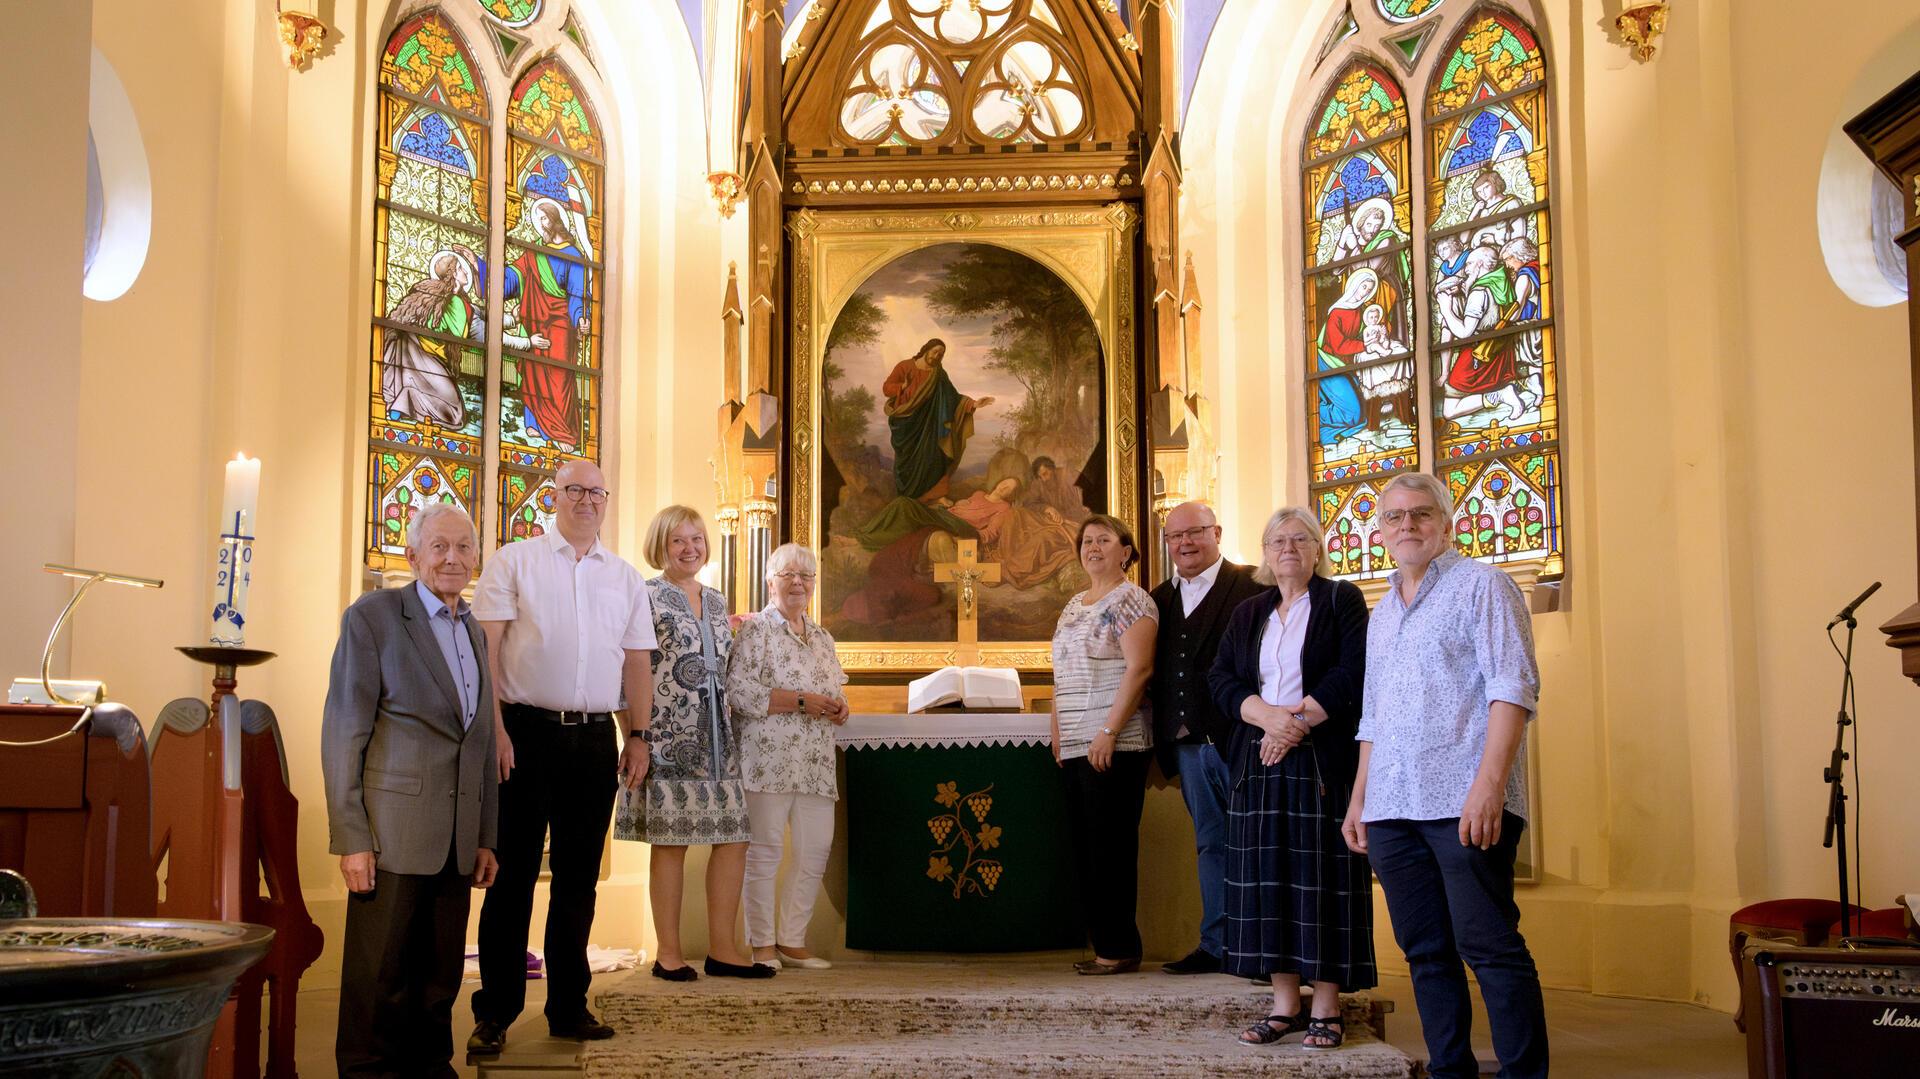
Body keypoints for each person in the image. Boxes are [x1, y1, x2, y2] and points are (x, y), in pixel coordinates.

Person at [1341, 472, 1547, 1078]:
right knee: (1425, 953)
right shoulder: (1381, 614)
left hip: (1462, 800)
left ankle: (1522, 1073)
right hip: (1391, 807)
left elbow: (1513, 687)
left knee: (1489, 947)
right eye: (1396, 517)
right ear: (1379, 532)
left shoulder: (1483, 585)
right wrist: (1360, 801)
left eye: (1422, 514)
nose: (1409, 525)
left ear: (1448, 524)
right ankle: (1450, 1070)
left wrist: (1487, 789)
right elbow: (1372, 714)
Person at [467, 460, 655, 1055]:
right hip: (523, 732)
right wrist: (495, 730)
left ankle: (568, 1007)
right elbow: (487, 653)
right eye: (574, 490)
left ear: (606, 502)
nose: (586, 501)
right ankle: (494, 1012)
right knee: (513, 877)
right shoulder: (514, 561)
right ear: (553, 497)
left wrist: (640, 735)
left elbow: (636, 663)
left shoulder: (624, 577)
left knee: (578, 880)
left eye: (596, 493)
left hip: (595, 738)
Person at [322, 501, 498, 1077]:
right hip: (390, 836)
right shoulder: (374, 617)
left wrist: (485, 836)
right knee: (381, 977)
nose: (453, 558)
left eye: (464, 547)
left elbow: (480, 740)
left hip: (454, 837)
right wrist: (352, 836)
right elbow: (344, 730)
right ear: (412, 554)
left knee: (440, 976)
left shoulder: (473, 627)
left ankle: (431, 1067)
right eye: (440, 547)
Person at [1209, 507, 1375, 1049]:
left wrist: (1295, 725)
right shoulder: (1250, 610)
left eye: (1300, 539)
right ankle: (1284, 1004)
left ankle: (1326, 1006)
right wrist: (1266, 718)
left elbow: (1353, 672)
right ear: (1264, 551)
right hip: (1257, 758)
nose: (1288, 548)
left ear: (1318, 548)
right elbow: (1222, 678)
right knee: (1267, 880)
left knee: (1320, 878)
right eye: (1278, 540)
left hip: (1319, 761)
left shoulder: (1339, 600)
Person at [619, 505, 768, 981]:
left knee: (734, 839)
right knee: (671, 843)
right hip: (664, 739)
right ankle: (668, 954)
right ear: (660, 546)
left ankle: (723, 949)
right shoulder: (644, 596)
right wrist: (633, 737)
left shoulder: (720, 602)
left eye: (696, 539)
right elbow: (625, 671)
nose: (690, 548)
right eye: (678, 540)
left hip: (720, 744)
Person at [1146, 501, 1264, 976]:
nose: (1185, 543)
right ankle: (1216, 945)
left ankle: (1260, 948)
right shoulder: (1157, 598)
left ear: (1217, 531)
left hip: (1248, 739)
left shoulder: (1255, 582)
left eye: (1194, 533)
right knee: (1211, 844)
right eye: (1176, 537)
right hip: (1190, 745)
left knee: (1255, 843)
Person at [727, 543, 850, 971]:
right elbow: (737, 693)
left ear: (814, 584)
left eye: (806, 575)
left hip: (815, 763)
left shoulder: (822, 637)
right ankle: (761, 944)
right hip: (766, 760)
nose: (797, 582)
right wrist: (800, 701)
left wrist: (840, 706)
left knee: (815, 849)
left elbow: (834, 689)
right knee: (764, 853)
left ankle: (792, 940)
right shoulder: (754, 632)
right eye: (787, 575)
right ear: (770, 581)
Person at [1049, 514, 1157, 975]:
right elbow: (1061, 672)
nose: (1093, 547)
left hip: (1116, 742)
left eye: (1104, 540)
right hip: (1076, 742)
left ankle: (1118, 948)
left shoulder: (1133, 600)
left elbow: (1139, 669)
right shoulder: (1074, 603)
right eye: (1087, 540)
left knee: (1109, 849)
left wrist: (1108, 731)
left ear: (1126, 551)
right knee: (1087, 848)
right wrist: (1058, 729)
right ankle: (1106, 947)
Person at [879, 338, 993, 503]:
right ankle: (909, 498)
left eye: (941, 354)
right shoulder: (905, 366)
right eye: (935, 352)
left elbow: (952, 397)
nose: (937, 356)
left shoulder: (938, 373)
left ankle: (936, 496)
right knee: (908, 462)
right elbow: (886, 388)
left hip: (931, 425)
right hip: (906, 424)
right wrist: (901, 387)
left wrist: (973, 404)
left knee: (935, 457)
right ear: (926, 350)